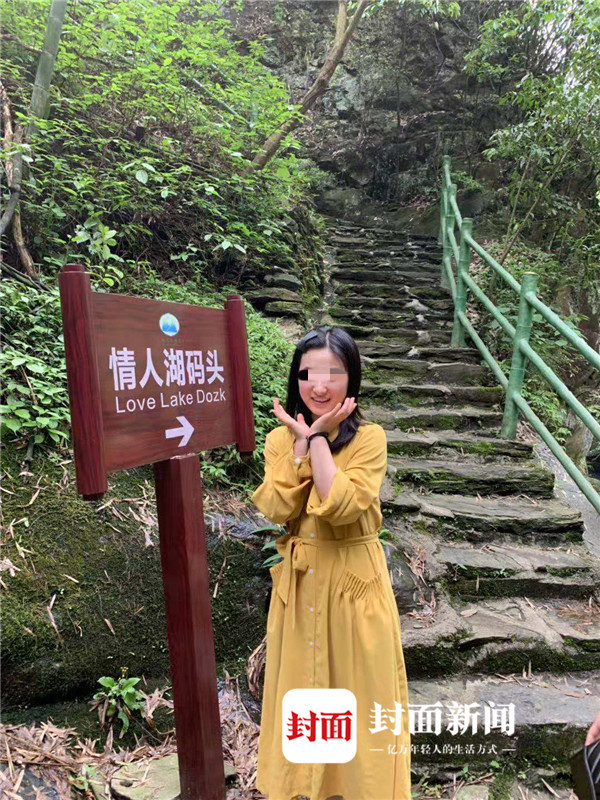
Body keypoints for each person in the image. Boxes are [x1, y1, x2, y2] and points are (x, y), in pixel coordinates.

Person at [251, 325, 411, 800]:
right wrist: (300, 444)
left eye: (333, 374)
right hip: (302, 586)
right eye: (309, 374)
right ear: (296, 379)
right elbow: (277, 508)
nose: (319, 386)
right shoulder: (279, 440)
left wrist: (318, 438)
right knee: (306, 692)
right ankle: (313, 790)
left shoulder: (370, 439)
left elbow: (341, 506)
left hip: (353, 584)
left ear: (351, 379)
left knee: (362, 692)